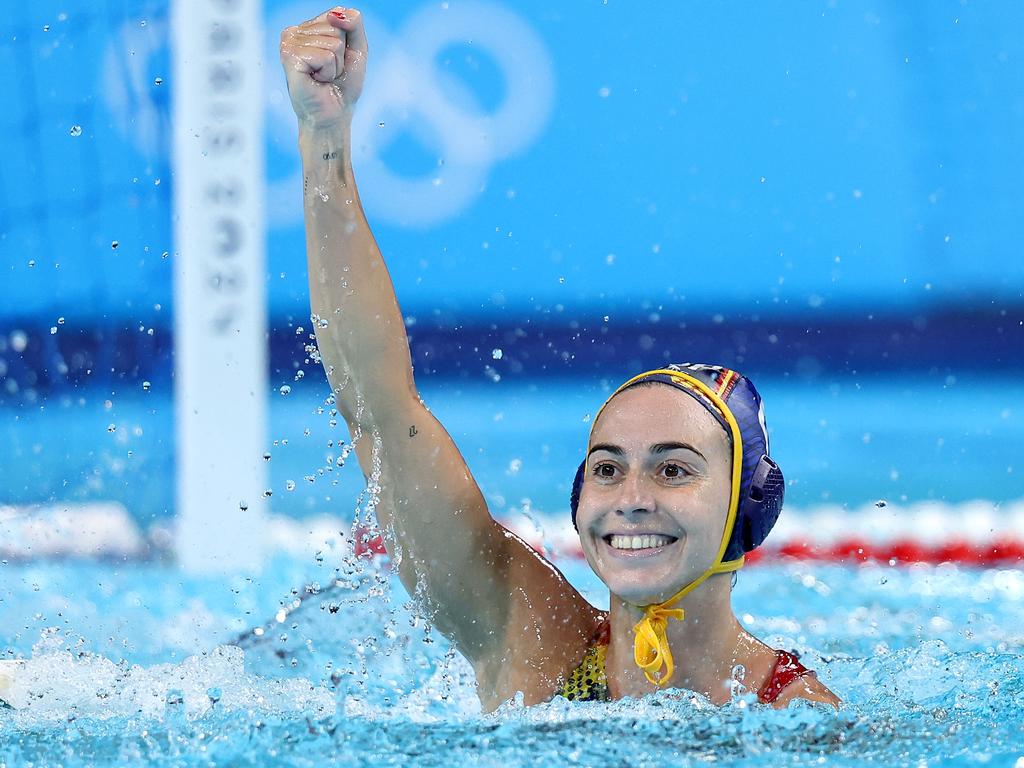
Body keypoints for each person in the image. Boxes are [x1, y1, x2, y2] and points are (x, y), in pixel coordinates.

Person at [279, 7, 841, 711]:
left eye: (673, 469)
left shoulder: (799, 718)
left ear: (748, 508)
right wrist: (324, 140)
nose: (631, 499)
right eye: (608, 469)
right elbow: (379, 414)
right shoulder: (530, 639)